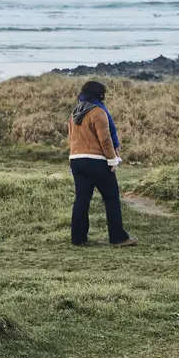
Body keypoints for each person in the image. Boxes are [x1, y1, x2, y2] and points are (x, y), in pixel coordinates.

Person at [68, 80, 137, 247]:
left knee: (81, 201)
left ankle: (78, 238)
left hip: (76, 159)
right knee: (111, 199)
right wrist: (113, 160)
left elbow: (72, 138)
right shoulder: (98, 112)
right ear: (99, 94)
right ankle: (118, 237)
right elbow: (105, 139)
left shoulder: (74, 113)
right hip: (96, 161)